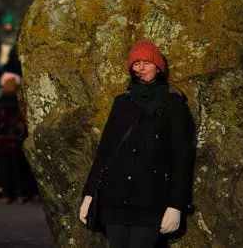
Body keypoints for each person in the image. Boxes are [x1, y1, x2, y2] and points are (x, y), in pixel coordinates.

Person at [79, 40, 195, 248]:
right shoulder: (122, 103)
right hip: (114, 197)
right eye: (136, 63)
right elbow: (105, 151)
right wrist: (89, 194)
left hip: (150, 199)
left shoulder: (174, 106)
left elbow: (182, 159)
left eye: (147, 63)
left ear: (159, 68)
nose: (141, 68)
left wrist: (176, 205)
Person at [0, 77, 28, 204]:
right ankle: (20, 194)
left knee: (5, 169)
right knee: (18, 169)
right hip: (17, 142)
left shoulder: (0, 104)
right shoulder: (20, 104)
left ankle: (7, 194)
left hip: (3, 142)